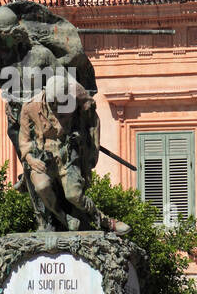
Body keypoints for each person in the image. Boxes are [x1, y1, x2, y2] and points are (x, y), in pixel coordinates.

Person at [17, 72, 129, 235]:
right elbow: (24, 139)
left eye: (60, 102)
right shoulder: (30, 107)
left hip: (67, 155)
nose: (55, 106)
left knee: (74, 195)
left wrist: (88, 142)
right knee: (42, 186)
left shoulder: (77, 94)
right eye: (52, 102)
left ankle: (106, 221)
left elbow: (91, 118)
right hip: (43, 158)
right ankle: (64, 218)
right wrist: (30, 159)